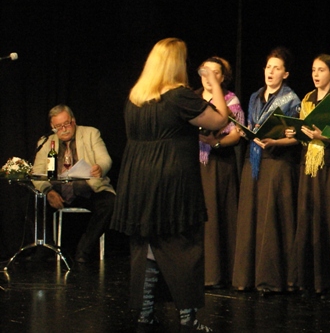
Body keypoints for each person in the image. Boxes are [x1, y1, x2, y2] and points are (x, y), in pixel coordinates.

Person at [110, 38, 230, 332]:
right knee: (183, 244)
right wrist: (215, 84)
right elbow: (219, 120)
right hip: (171, 179)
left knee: (147, 243)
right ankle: (188, 318)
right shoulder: (179, 96)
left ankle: (145, 313)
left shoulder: (136, 97)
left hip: (138, 178)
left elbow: (163, 131)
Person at [231, 47, 301, 294]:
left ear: (285, 74)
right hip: (254, 161)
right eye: (268, 67)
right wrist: (244, 131)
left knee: (271, 220)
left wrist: (276, 141)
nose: (271, 72)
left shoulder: (292, 99)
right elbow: (252, 125)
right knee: (251, 217)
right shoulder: (254, 96)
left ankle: (271, 279)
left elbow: (296, 136)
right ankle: (247, 277)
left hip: (277, 162)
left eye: (277, 68)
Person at [292, 54, 330, 297]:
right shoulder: (307, 98)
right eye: (313, 70)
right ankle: (308, 279)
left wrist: (322, 136)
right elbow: (303, 129)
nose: (316, 75)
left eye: (321, 70)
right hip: (309, 164)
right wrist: (296, 132)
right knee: (309, 217)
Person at [31, 104, 115, 263]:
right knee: (32, 201)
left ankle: (83, 250)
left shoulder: (91, 133)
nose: (64, 129)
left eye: (66, 124)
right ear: (52, 127)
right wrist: (49, 191)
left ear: (73, 121)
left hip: (87, 189)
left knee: (110, 203)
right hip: (58, 191)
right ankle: (46, 250)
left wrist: (100, 168)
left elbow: (105, 159)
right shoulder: (46, 142)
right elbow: (37, 172)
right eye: (58, 126)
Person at [196, 57, 243, 289]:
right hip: (195, 164)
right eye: (205, 72)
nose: (209, 77)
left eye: (215, 72)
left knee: (216, 217)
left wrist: (215, 143)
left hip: (219, 164)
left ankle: (216, 274)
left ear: (222, 77)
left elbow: (236, 133)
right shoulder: (192, 98)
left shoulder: (229, 100)